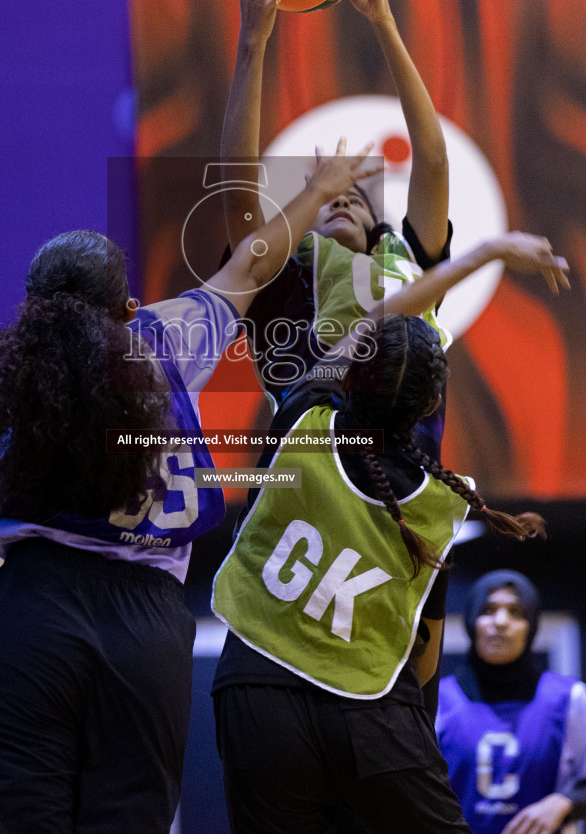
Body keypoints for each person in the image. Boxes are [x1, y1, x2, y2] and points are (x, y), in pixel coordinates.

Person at [0, 146, 374, 834]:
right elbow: (253, 263)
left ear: (32, 311)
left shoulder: (15, 409)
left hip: (35, 618)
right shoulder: (165, 335)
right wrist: (317, 191)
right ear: (129, 306)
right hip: (150, 634)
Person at [210, 237, 569, 834]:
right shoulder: (442, 503)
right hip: (371, 710)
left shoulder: (302, 420)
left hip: (257, 689)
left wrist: (483, 255)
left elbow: (371, 326)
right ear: (432, 401)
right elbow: (425, 661)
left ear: (348, 377)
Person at [220, 0, 451, 453]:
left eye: (355, 199)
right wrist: (253, 39)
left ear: (378, 227)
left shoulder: (410, 264)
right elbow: (237, 189)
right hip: (310, 471)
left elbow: (433, 163)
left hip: (401, 478)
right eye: (330, 199)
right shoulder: (280, 279)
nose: (341, 199)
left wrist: (384, 21)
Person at [437, 570, 586, 834]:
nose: (501, 622)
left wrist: (567, 802)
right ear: (472, 620)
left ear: (532, 626)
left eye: (516, 612)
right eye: (488, 610)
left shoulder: (570, 699)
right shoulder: (437, 702)